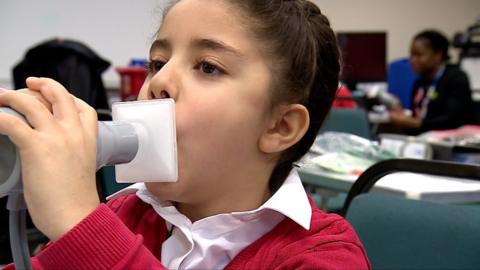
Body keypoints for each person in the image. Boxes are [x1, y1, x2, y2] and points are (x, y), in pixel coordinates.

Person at [0, 0, 370, 269]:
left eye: (208, 67)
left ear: (279, 127)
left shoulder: (324, 256)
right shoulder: (124, 214)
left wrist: (80, 225)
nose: (158, 81)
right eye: (158, 63)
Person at [389, 30, 474, 135]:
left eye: (419, 55)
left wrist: (417, 124)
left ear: (438, 55)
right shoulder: (419, 83)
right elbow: (418, 116)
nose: (413, 60)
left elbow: (453, 120)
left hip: (450, 141)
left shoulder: (456, 78)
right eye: (412, 55)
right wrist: (402, 115)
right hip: (421, 141)